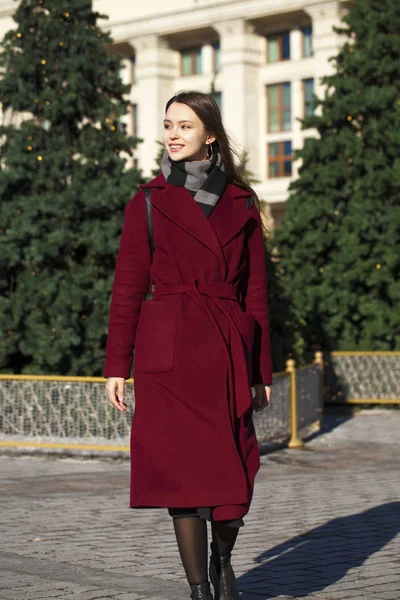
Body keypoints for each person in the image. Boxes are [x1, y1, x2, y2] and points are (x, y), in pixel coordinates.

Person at [105, 90, 272, 600]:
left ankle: (224, 555)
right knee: (181, 474)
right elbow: (128, 287)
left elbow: (257, 293)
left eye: (184, 126)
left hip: (223, 348)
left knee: (236, 475)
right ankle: (199, 589)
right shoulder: (148, 201)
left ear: (210, 135)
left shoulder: (242, 203)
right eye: (168, 125)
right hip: (169, 353)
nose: (172, 134)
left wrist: (259, 371)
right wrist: (117, 365)